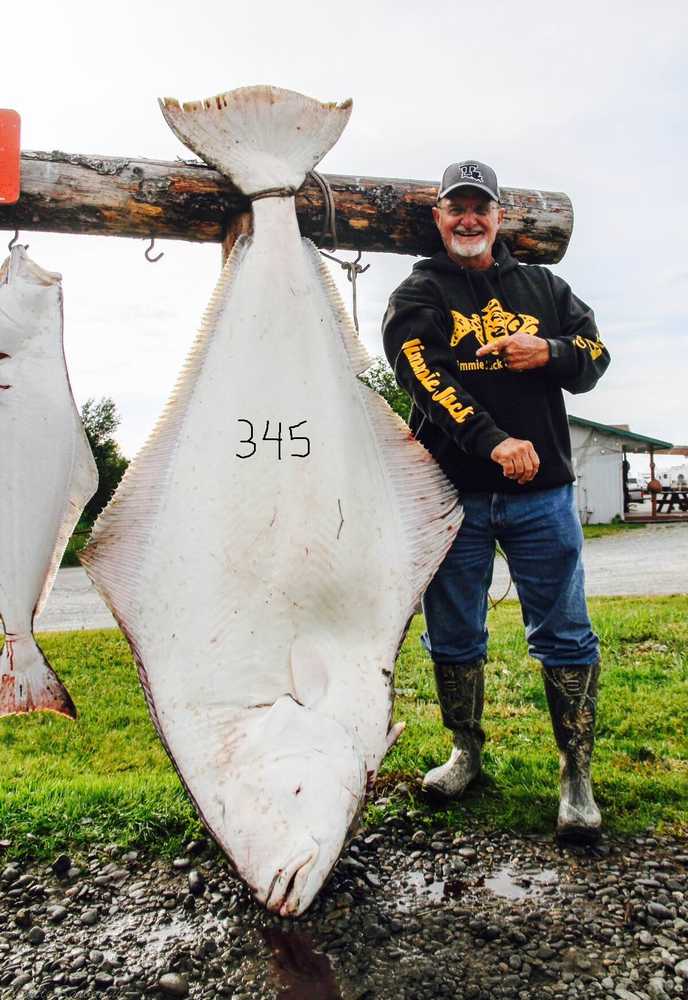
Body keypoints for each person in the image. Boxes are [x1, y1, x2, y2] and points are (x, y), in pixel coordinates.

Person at [382, 160, 611, 842]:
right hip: (451, 494)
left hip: (542, 497)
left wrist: (549, 350)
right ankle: (467, 752)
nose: (469, 219)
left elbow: (595, 355)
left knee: (565, 631)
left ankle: (576, 776)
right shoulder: (418, 293)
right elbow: (423, 378)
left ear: (500, 216)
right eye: (457, 207)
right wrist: (493, 441)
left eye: (481, 207)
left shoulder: (544, 286)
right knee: (453, 632)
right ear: (439, 218)